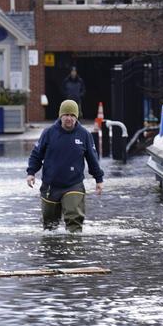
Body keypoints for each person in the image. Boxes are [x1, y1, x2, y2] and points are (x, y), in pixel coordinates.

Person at [26, 99, 104, 233]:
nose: (69, 118)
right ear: (60, 116)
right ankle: (52, 251)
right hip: (51, 184)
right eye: (66, 115)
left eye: (72, 115)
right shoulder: (49, 133)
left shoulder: (84, 134)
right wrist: (31, 172)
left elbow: (92, 158)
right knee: (49, 227)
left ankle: (74, 249)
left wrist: (99, 179)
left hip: (74, 184)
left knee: (74, 220)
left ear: (77, 117)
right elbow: (36, 154)